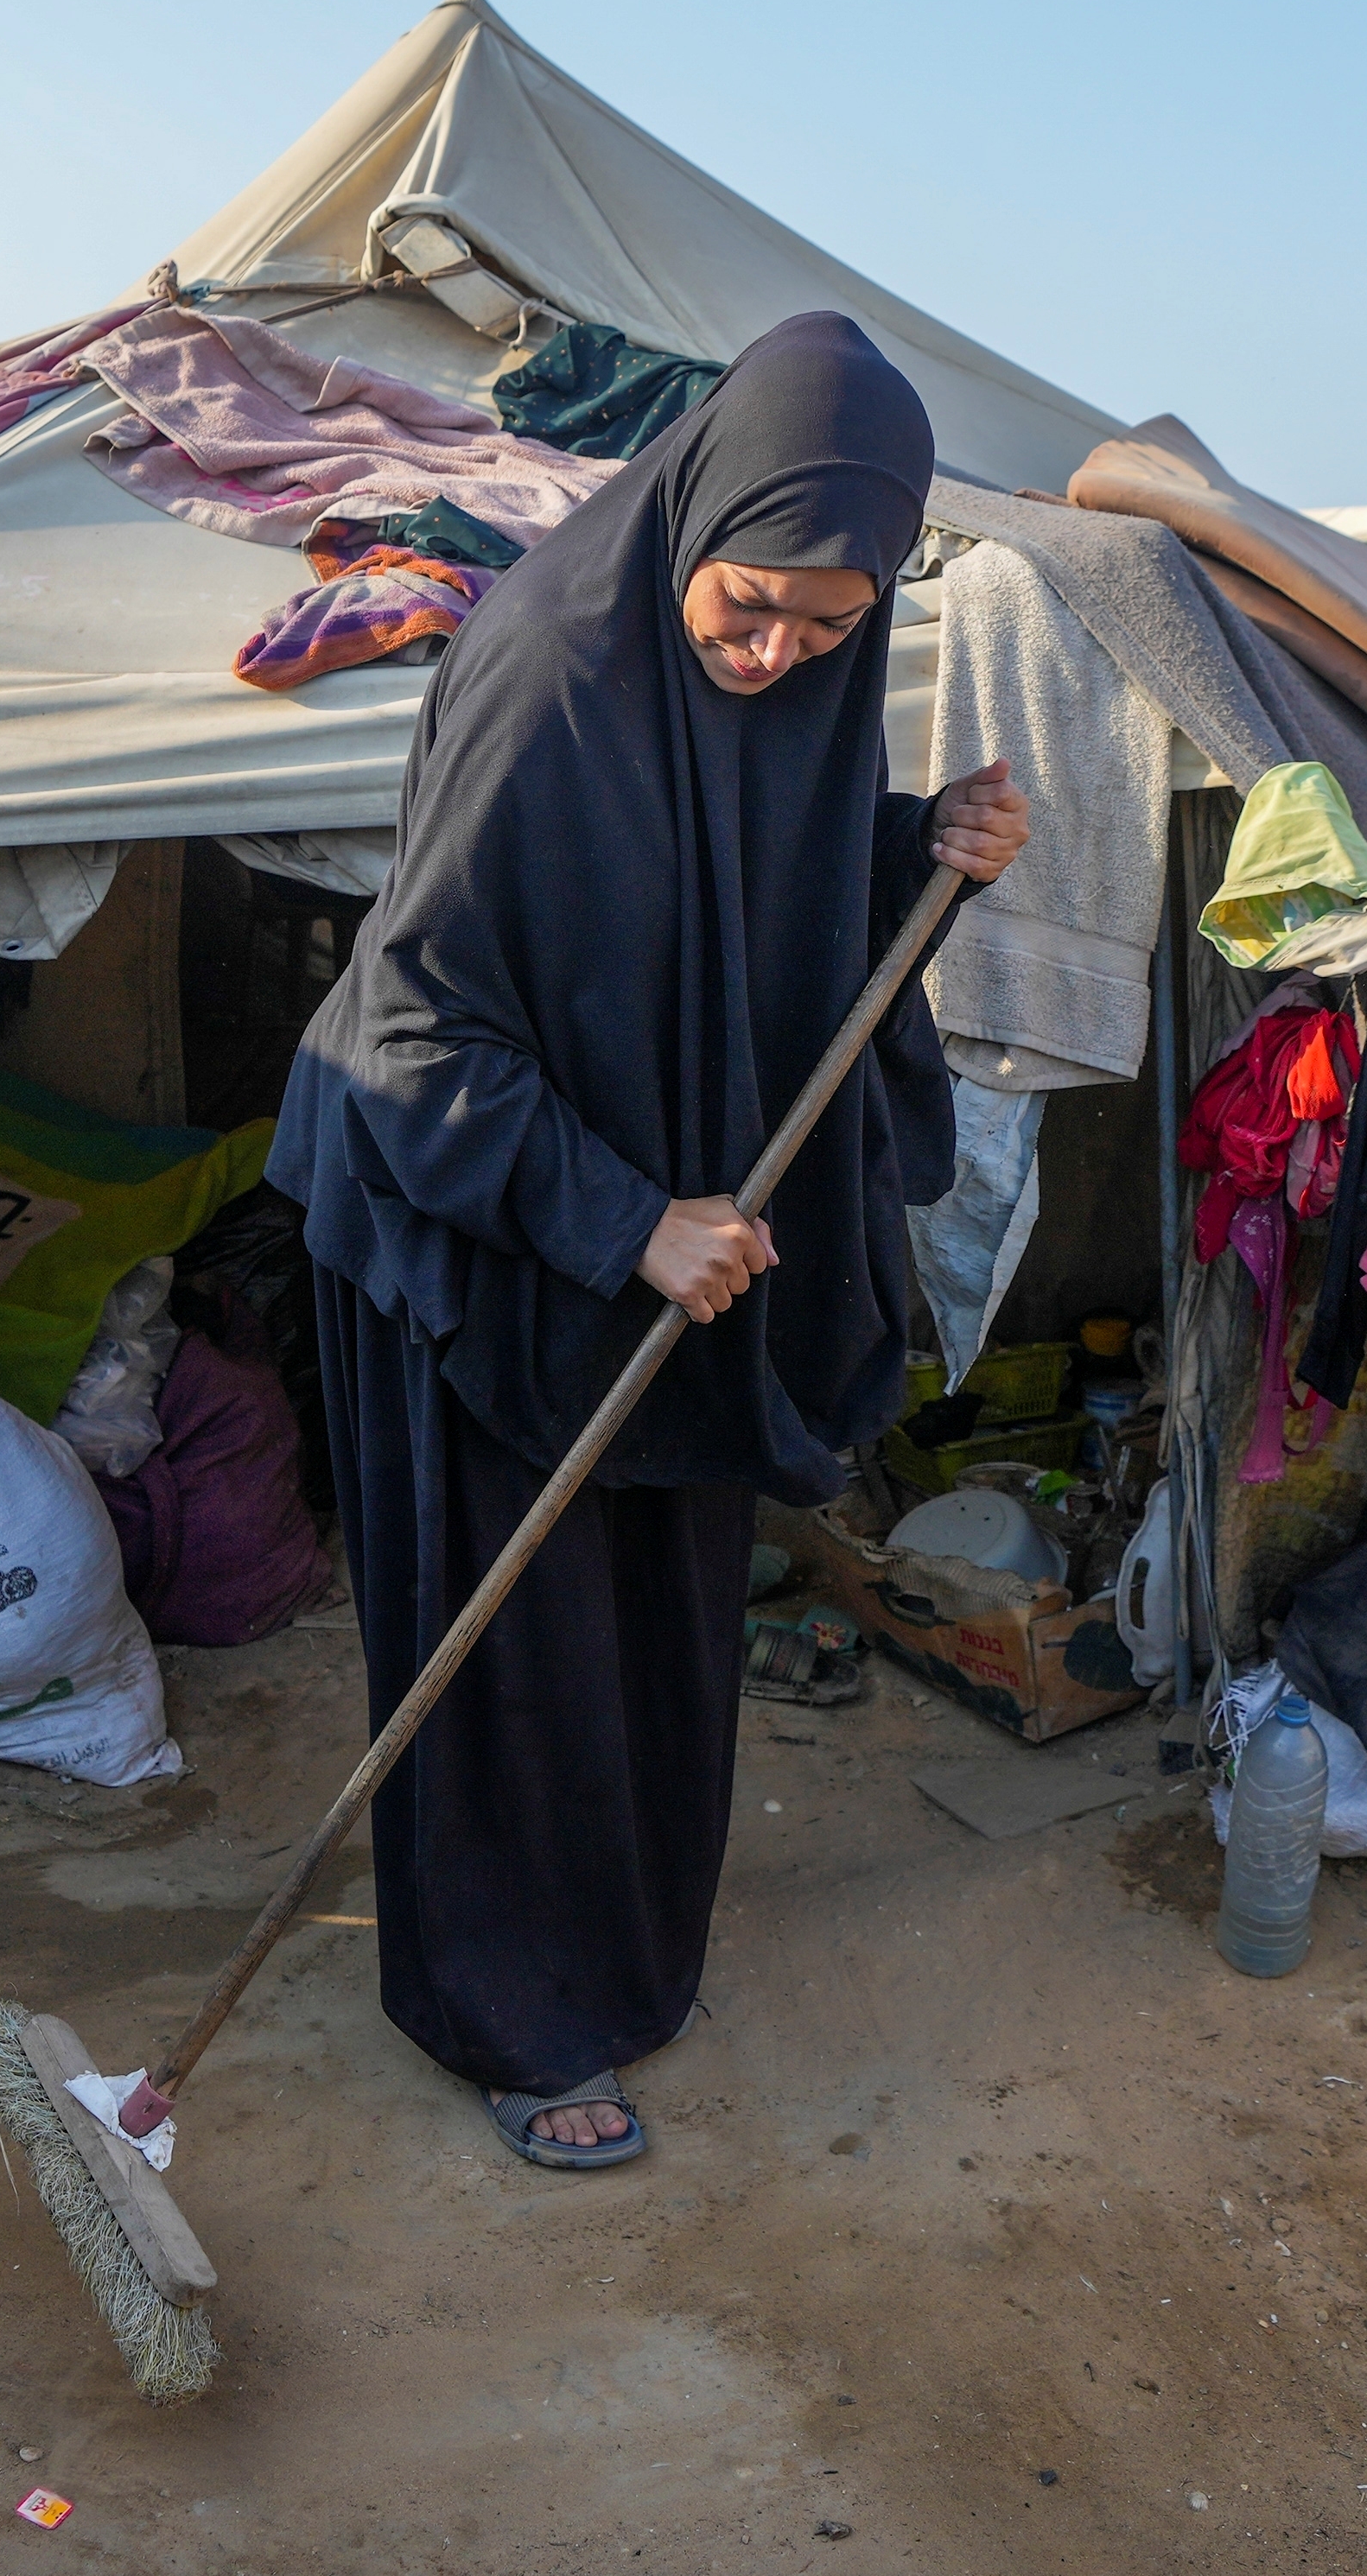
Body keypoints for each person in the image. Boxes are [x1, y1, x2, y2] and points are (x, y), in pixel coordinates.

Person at [270, 313, 1029, 2166]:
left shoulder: (791, 685)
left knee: (657, 1619)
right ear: (690, 525)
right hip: (470, 1216)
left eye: (832, 629)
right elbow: (415, 1030)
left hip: (671, 1233)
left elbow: (748, 890)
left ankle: (621, 1964)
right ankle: (515, 2020)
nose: (779, 656)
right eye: (750, 610)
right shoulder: (552, 675)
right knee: (519, 1644)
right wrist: (625, 1221)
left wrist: (924, 845)